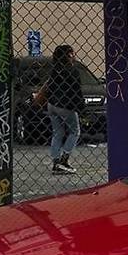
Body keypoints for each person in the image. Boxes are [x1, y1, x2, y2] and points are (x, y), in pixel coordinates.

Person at [45, 44, 83, 174]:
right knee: (75, 131)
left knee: (58, 132)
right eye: (72, 54)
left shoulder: (54, 69)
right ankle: (64, 160)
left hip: (52, 104)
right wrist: (81, 109)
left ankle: (56, 162)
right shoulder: (72, 71)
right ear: (68, 55)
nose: (74, 56)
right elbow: (76, 91)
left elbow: (50, 87)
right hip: (66, 106)